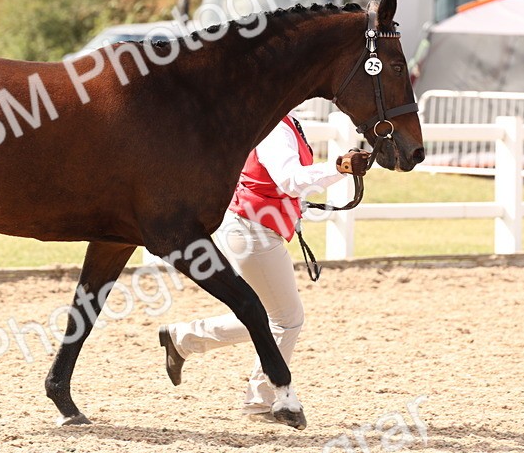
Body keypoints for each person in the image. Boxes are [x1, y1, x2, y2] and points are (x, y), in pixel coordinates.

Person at [158, 113, 370, 421]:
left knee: (270, 317)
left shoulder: (285, 122)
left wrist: (336, 174)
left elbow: (286, 182)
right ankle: (260, 402)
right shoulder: (274, 126)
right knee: (287, 320)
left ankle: (183, 339)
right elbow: (289, 179)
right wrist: (339, 166)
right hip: (253, 232)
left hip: (253, 228)